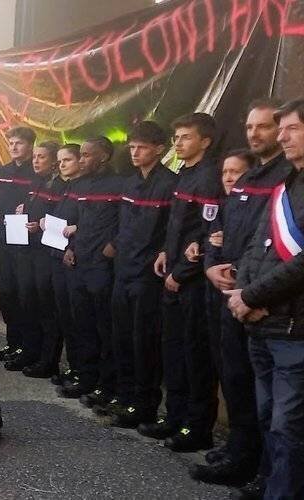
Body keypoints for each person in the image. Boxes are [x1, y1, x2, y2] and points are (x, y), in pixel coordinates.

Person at [197, 99, 293, 489]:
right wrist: (211, 262)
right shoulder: (251, 179)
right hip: (232, 293)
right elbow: (230, 234)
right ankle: (240, 449)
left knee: (262, 394)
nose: (256, 134)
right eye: (250, 127)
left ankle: (251, 463)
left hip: (259, 299)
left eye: (266, 127)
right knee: (234, 379)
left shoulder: (284, 180)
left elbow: (273, 245)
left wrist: (246, 286)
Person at [227, 98, 304, 500]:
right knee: (269, 417)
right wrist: (243, 294)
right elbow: (259, 247)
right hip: (263, 322)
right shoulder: (287, 184)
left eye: (292, 128)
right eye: (283, 128)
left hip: (293, 327)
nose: (282, 135)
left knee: (288, 425)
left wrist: (252, 295)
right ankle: (269, 483)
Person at [147, 113, 223, 451]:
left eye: (186, 137)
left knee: (195, 355)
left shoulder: (209, 179)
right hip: (173, 272)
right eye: (176, 137)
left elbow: (211, 236)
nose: (178, 143)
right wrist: (165, 251)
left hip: (192, 284)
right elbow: (179, 227)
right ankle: (174, 417)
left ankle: (197, 427)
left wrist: (182, 273)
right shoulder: (184, 175)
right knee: (173, 350)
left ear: (205, 141)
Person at [109, 121, 177, 430]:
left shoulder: (169, 184)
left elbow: (173, 232)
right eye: (132, 147)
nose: (135, 152)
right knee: (122, 337)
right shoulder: (129, 183)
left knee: (144, 341)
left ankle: (145, 405)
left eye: (143, 147)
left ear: (160, 149)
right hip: (122, 271)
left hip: (147, 277)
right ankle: (125, 398)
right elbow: (122, 226)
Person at [61, 136, 120, 403]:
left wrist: (113, 245)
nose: (81, 159)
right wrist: (71, 247)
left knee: (104, 329)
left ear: (103, 157)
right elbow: (77, 221)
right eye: (81, 155)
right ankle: (86, 378)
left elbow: (125, 222)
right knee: (82, 325)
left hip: (103, 267)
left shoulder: (119, 185)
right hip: (79, 263)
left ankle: (107, 386)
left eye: (86, 155)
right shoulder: (79, 185)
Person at [13, 141, 64, 379]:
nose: (35, 161)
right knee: (28, 303)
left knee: (47, 308)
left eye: (41, 157)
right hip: (29, 250)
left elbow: (61, 219)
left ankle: (48, 360)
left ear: (54, 161)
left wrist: (41, 226)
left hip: (48, 254)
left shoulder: (61, 185)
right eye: (34, 156)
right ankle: (30, 352)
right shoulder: (35, 182)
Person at [0, 127, 39, 363]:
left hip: (27, 245)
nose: (14, 147)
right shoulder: (1, 173)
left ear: (30, 146)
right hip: (2, 241)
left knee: (25, 296)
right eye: (11, 143)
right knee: (7, 294)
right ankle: (13, 344)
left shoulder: (38, 174)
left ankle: (28, 349)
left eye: (19, 143)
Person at [43, 144, 85, 384]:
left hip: (76, 258)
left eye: (67, 160)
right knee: (65, 316)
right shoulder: (64, 187)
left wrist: (75, 236)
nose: (62, 165)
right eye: (59, 161)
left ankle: (82, 371)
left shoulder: (86, 189)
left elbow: (95, 222)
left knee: (78, 317)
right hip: (56, 253)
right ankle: (73, 367)